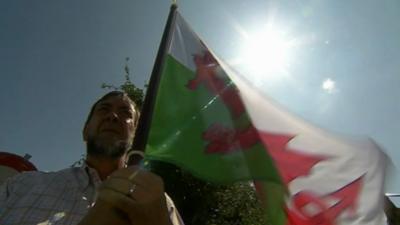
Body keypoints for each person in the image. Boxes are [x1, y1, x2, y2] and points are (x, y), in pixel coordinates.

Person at [0, 91, 184, 225]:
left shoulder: (160, 204)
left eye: (125, 113)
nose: (113, 116)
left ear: (135, 137)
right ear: (85, 130)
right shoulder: (21, 185)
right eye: (104, 109)